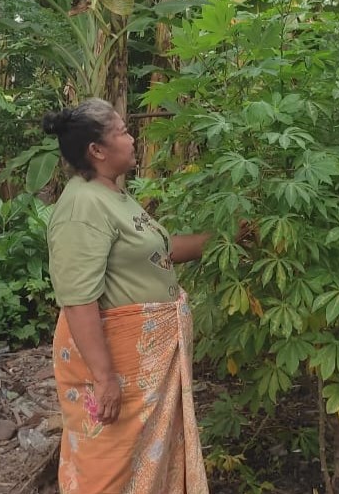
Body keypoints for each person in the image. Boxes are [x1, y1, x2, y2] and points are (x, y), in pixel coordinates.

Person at [44, 98, 219, 494]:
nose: (133, 138)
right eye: (122, 132)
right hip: (115, 360)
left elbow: (161, 250)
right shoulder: (83, 206)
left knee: (138, 460)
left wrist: (223, 240)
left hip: (140, 361)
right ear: (97, 150)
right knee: (107, 461)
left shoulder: (113, 195)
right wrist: (104, 377)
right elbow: (78, 299)